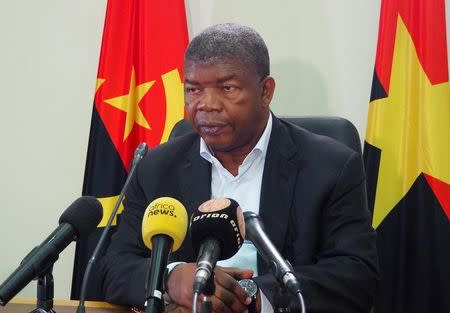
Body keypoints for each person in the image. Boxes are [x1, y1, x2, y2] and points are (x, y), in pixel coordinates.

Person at [100, 23, 379, 313]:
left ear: (266, 91)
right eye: (193, 89)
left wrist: (250, 297)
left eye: (226, 88)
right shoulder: (157, 168)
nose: (206, 105)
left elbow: (355, 276)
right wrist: (170, 278)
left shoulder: (331, 166)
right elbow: (112, 268)